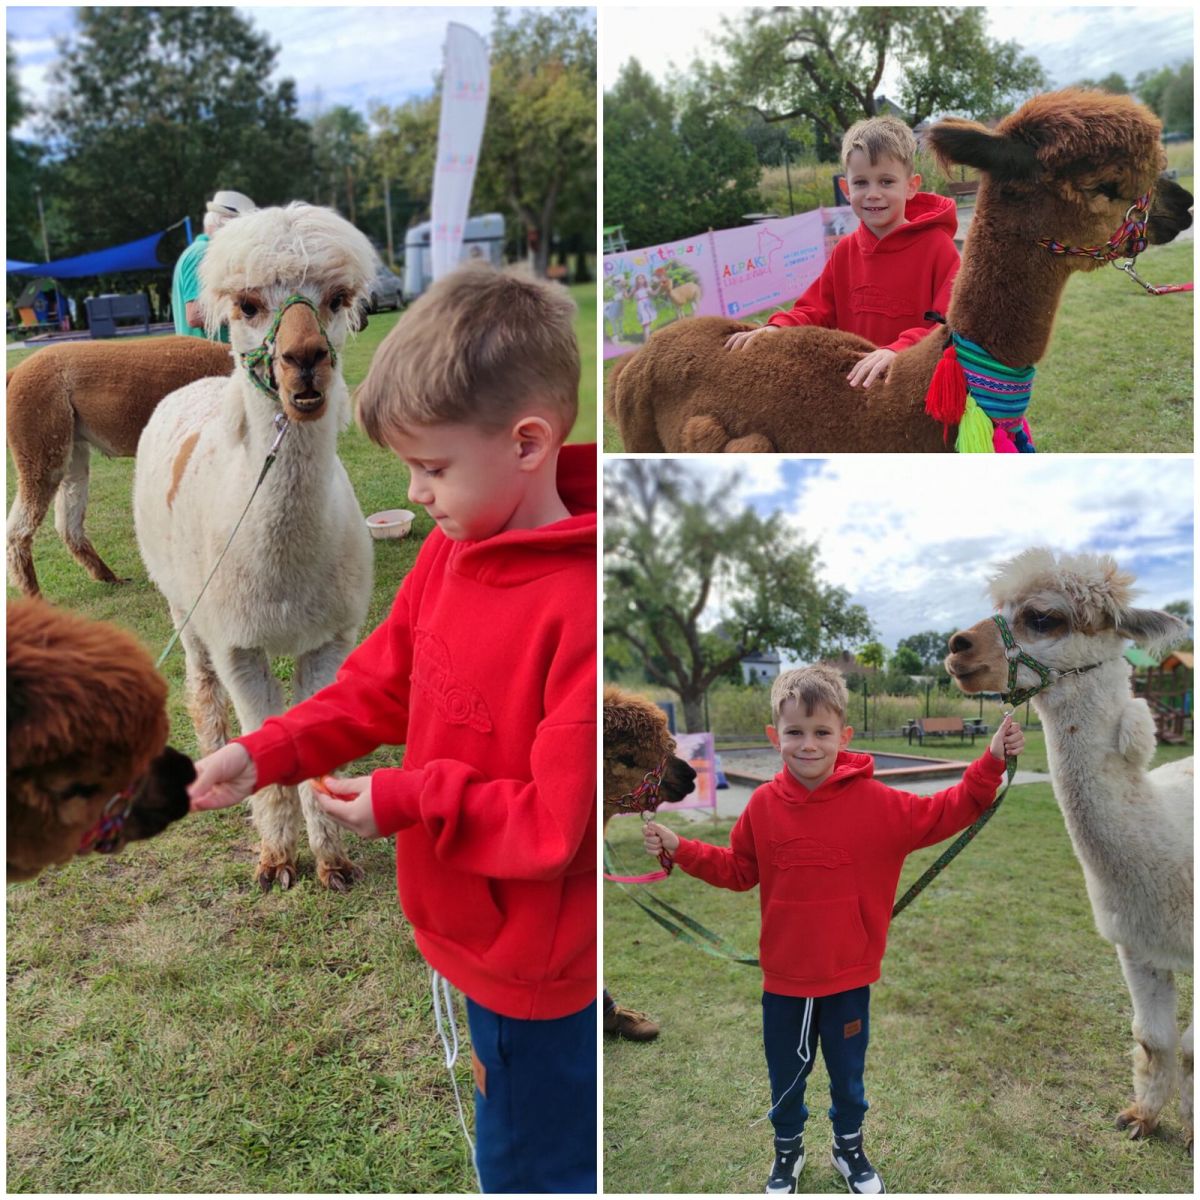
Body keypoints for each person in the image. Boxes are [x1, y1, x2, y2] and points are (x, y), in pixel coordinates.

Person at [187, 265, 597, 1194]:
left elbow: (554, 826)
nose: (413, 495)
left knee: (535, 1165)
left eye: (432, 468)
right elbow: (377, 685)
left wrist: (408, 798)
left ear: (527, 443)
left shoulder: (579, 607)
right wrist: (262, 752)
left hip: (533, 972)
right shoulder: (455, 552)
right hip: (467, 933)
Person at [643, 665, 1023, 1195]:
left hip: (848, 977)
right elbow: (738, 869)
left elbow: (949, 809)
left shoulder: (880, 804)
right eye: (795, 732)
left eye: (821, 732)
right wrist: (681, 848)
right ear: (774, 736)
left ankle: (848, 1148)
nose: (808, 744)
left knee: (848, 1075)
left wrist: (992, 761)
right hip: (786, 980)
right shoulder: (763, 806)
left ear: (844, 736)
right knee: (786, 1075)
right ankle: (788, 1153)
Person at [725, 116, 960, 391]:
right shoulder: (844, 251)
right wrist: (777, 328)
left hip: (914, 392)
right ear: (846, 190)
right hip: (855, 396)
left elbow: (950, 326)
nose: (873, 194)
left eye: (886, 181)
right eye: (861, 183)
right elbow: (815, 311)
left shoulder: (939, 248)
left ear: (911, 187)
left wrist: (899, 350)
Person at [171, 189, 256, 339]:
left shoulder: (201, 252)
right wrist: (251, 311)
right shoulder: (202, 253)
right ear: (226, 224)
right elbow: (195, 315)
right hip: (208, 352)